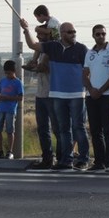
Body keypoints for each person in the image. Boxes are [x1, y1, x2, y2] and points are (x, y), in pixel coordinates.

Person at [20, 19, 90, 171]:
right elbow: (33, 45)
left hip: (77, 94)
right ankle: (66, 160)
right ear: (62, 34)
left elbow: (89, 70)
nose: (73, 34)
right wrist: (26, 29)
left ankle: (84, 159)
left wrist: (88, 87)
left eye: (74, 32)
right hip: (58, 94)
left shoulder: (82, 49)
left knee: (78, 127)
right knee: (63, 129)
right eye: (70, 32)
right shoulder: (53, 47)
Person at [83, 24, 109, 172]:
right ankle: (99, 162)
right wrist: (91, 90)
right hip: (91, 96)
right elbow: (85, 74)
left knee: (108, 130)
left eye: (103, 34)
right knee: (95, 130)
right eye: (98, 34)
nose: (101, 36)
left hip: (107, 95)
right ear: (93, 35)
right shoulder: (89, 53)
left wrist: (101, 90)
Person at [29, 29, 61, 169]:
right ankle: (47, 158)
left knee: (57, 128)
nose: (38, 37)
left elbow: (47, 69)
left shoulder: (54, 50)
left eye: (41, 34)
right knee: (42, 128)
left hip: (52, 93)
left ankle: (61, 158)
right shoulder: (40, 51)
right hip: (40, 93)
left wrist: (39, 67)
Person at [0, 60, 24, 160]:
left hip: (10, 109)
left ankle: (10, 151)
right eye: (6, 73)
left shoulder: (18, 83)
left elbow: (20, 98)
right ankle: (0, 150)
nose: (7, 75)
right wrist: (0, 97)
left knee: (10, 130)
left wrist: (7, 98)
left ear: (14, 72)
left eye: (9, 73)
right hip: (0, 108)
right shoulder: (2, 81)